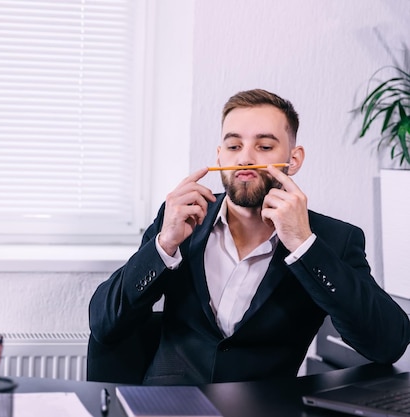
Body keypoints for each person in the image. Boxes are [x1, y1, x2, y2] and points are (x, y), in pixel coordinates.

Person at [88, 89, 410, 385]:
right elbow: (104, 324)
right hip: (168, 405)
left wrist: (304, 246)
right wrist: (164, 245)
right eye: (233, 146)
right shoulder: (180, 219)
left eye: (264, 146)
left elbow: (388, 344)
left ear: (293, 159)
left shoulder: (333, 239)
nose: (245, 158)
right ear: (220, 157)